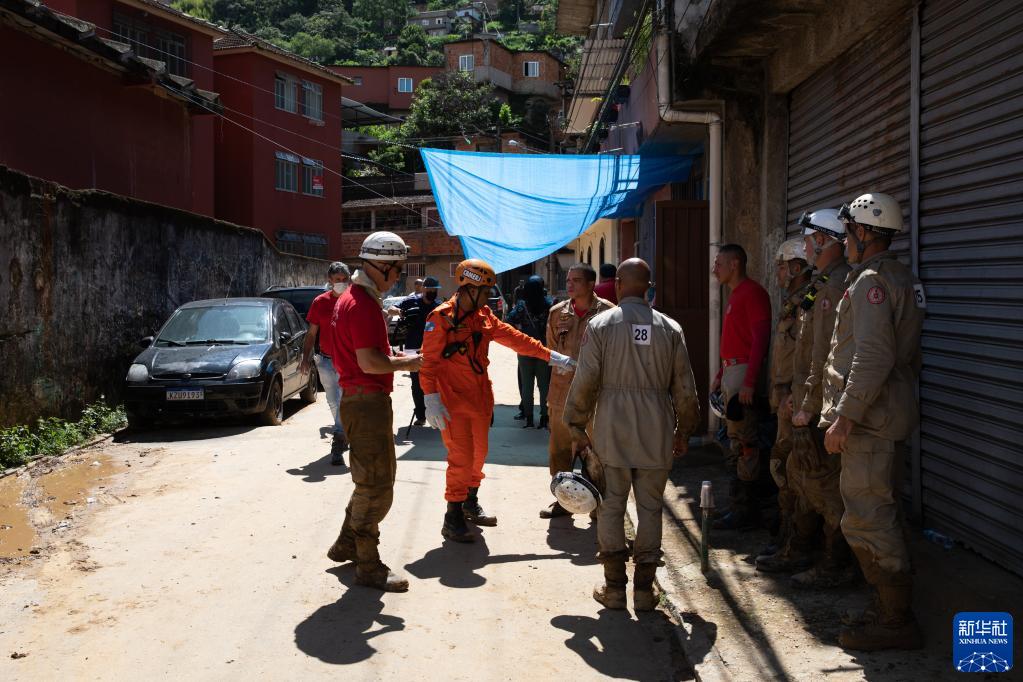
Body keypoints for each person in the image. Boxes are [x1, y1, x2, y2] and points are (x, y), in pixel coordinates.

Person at [820, 193, 925, 650]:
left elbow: (874, 355)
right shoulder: (901, 277)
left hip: (871, 419)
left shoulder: (871, 282)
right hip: (887, 413)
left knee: (868, 518)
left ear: (864, 232)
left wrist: (844, 417)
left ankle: (895, 621)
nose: (844, 241)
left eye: (847, 233)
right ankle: (888, 607)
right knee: (881, 510)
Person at [563, 258, 700, 611]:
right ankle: (643, 592)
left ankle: (613, 589)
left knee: (611, 506)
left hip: (611, 427)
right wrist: (684, 430)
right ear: (648, 286)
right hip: (656, 429)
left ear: (620, 284)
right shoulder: (670, 328)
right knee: (651, 508)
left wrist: (576, 424)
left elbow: (586, 379)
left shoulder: (601, 325)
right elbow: (685, 389)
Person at [420, 259, 574, 543]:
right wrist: (430, 398)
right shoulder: (441, 318)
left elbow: (515, 338)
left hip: (479, 400)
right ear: (469, 288)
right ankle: (451, 516)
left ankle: (469, 501)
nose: (487, 298)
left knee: (478, 456)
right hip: (451, 402)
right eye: (484, 292)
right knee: (461, 458)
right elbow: (428, 363)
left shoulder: (484, 316)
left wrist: (550, 356)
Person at [322, 231, 423, 593]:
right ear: (381, 266)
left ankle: (346, 544)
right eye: (396, 271)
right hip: (366, 402)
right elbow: (369, 362)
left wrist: (396, 359)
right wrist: (409, 365)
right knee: (377, 486)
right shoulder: (362, 304)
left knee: (367, 479)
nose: (398, 278)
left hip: (359, 398)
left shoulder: (350, 298)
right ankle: (368, 565)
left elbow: (361, 354)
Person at [761, 210, 856, 587]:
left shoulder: (833, 288)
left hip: (816, 407)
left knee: (821, 483)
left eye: (813, 238)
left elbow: (828, 354)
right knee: (800, 478)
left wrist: (808, 404)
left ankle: (834, 563)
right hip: (802, 401)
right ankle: (799, 549)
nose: (810, 244)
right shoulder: (820, 287)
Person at [539, 262, 615, 519]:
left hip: (596, 397)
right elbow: (550, 349)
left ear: (591, 284)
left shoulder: (609, 313)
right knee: (560, 451)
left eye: (576, 280)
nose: (569, 284)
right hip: (562, 395)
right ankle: (563, 502)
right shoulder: (557, 313)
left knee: (596, 452)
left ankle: (597, 506)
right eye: (568, 280)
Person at [710, 244, 772, 530]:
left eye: (719, 263)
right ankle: (739, 505)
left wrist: (748, 382)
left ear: (735, 263)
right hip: (733, 370)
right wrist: (722, 372)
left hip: (744, 372)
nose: (715, 268)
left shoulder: (753, 292)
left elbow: (760, 340)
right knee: (734, 439)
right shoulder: (736, 294)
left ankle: (746, 510)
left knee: (745, 441)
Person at [757, 238, 811, 557]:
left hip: (798, 403)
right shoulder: (793, 302)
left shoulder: (810, 301)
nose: (777, 273)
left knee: (793, 475)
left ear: (795, 268)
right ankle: (788, 538)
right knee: (782, 471)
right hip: (785, 403)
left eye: (781, 267)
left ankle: (796, 545)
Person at [300, 261, 352, 466]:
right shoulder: (320, 302)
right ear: (329, 280)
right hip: (325, 360)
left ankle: (338, 441)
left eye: (344, 279)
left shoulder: (353, 301)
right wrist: (305, 358)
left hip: (347, 361)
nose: (340, 283)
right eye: (336, 279)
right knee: (332, 400)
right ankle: (343, 431)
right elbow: (311, 333)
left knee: (342, 400)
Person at [505, 275, 554, 428]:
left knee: (527, 385)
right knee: (544, 385)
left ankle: (529, 418)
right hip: (544, 350)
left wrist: (519, 334)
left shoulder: (521, 306)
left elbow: (508, 322)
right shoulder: (550, 305)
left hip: (525, 349)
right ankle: (545, 418)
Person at [398, 276, 442, 425]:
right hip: (413, 349)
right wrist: (399, 313)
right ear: (423, 289)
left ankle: (436, 413)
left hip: (433, 350)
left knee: (435, 383)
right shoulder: (411, 302)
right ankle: (421, 416)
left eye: (435, 290)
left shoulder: (439, 306)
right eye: (429, 289)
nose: (432, 292)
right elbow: (394, 309)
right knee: (417, 384)